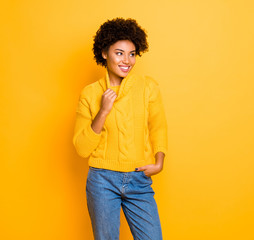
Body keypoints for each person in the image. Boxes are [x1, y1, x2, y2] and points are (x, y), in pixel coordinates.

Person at [72, 17, 168, 240]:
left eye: (132, 53)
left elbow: (158, 125)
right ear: (104, 53)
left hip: (138, 178)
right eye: (119, 53)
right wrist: (103, 111)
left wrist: (159, 159)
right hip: (102, 180)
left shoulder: (148, 87)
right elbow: (82, 148)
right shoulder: (90, 94)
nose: (127, 60)